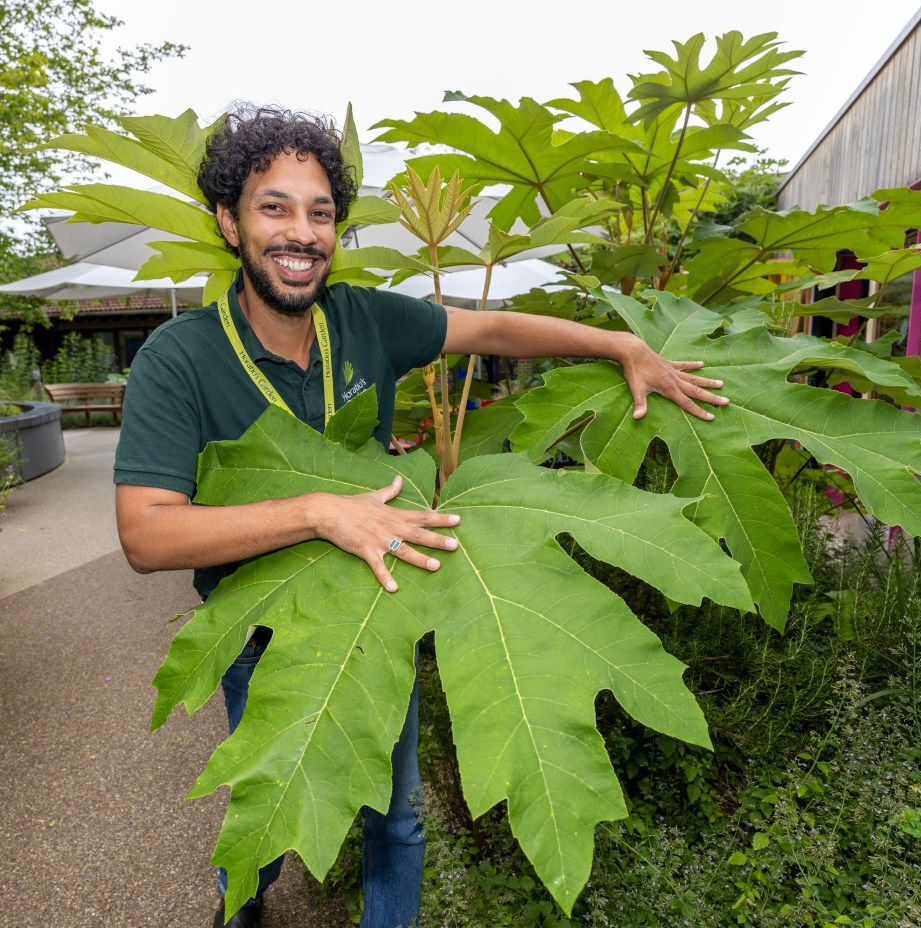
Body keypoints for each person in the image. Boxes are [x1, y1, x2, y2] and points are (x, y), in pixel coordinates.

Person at [113, 104, 727, 928]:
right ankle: (244, 899)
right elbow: (146, 533)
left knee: (393, 818)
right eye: (275, 207)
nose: (302, 232)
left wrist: (618, 345)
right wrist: (316, 509)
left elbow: (498, 327)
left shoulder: (365, 320)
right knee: (265, 808)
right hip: (260, 631)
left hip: (382, 606)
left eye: (321, 213)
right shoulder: (178, 360)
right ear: (229, 222)